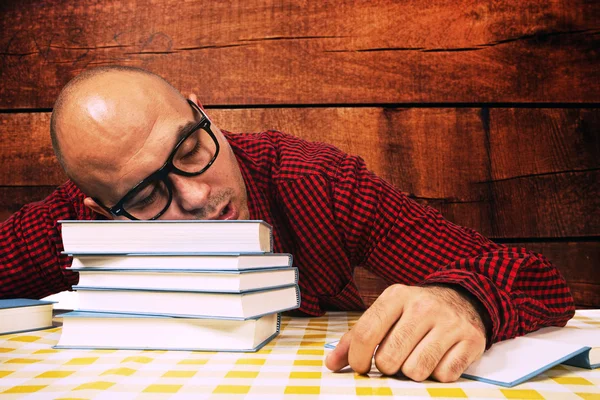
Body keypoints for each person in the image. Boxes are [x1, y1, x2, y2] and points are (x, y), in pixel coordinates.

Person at [0, 66, 574, 382]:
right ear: (104, 214)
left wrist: (460, 301)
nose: (199, 196)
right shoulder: (77, 220)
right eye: (149, 194)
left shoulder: (317, 182)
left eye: (191, 146)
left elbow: (535, 278)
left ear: (205, 114)